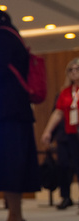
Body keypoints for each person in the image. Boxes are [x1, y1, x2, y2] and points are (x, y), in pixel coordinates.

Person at [0, 0, 40, 221]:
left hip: (8, 112)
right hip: (17, 111)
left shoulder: (0, 37)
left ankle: (15, 216)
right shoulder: (11, 34)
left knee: (10, 163)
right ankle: (15, 215)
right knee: (14, 164)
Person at [39, 58, 79, 209]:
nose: (74, 72)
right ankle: (66, 197)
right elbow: (58, 113)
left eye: (77, 69)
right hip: (68, 134)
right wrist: (48, 131)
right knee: (64, 166)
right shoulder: (65, 92)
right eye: (71, 70)